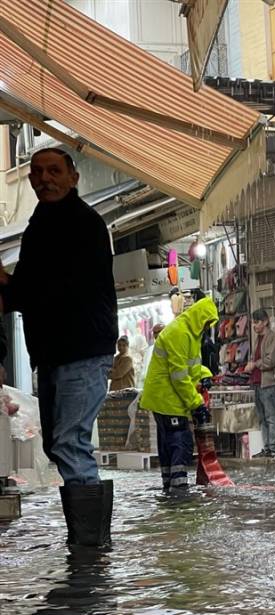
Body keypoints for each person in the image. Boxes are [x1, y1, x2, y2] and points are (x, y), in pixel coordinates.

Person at [0, 148, 117, 549]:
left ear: (73, 178)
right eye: (37, 172)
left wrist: (10, 287)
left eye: (54, 171)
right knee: (58, 443)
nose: (44, 178)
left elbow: (46, 288)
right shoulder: (42, 224)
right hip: (57, 352)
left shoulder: (81, 223)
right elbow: (32, 287)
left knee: (68, 442)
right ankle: (91, 542)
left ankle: (89, 549)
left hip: (81, 349)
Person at [139, 298, 217, 493]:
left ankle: (170, 487)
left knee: (168, 444)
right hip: (167, 398)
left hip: (166, 398)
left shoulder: (190, 333)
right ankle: (179, 491)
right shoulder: (180, 333)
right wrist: (196, 404)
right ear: (200, 318)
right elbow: (179, 377)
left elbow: (190, 367)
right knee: (180, 442)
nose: (207, 327)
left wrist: (205, 375)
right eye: (207, 322)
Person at [243, 308, 275, 457]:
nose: (254, 325)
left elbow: (271, 360)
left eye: (257, 322)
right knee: (262, 418)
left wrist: (255, 364)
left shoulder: (273, 338)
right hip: (258, 383)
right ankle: (267, 447)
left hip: (269, 383)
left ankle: (274, 448)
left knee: (271, 417)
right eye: (253, 322)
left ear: (265, 322)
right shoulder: (258, 339)